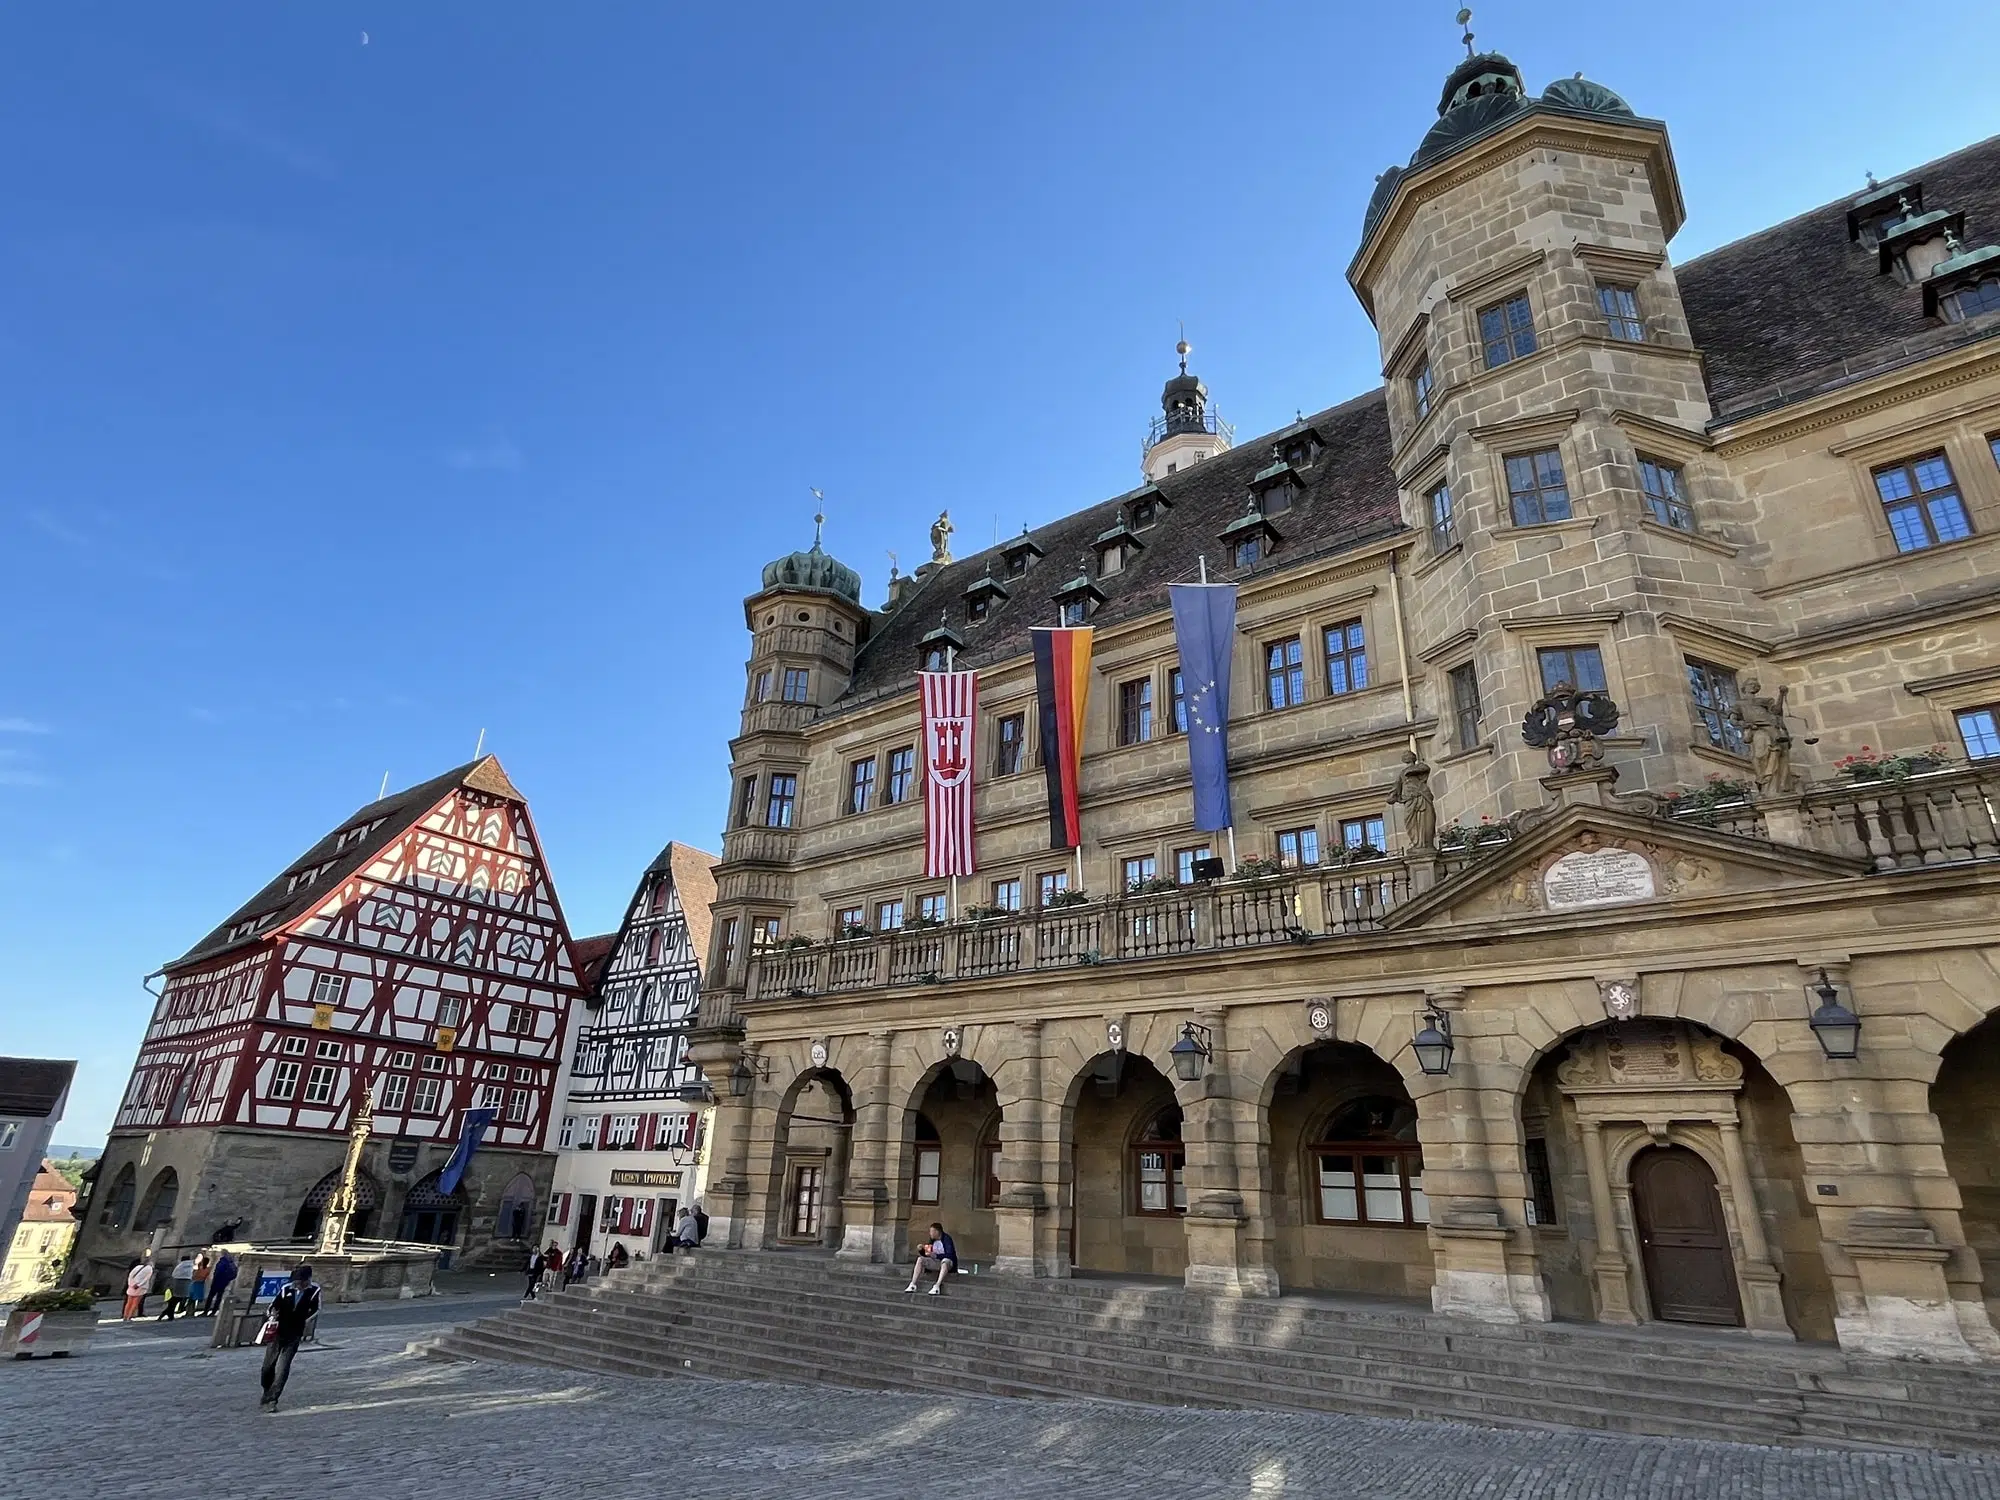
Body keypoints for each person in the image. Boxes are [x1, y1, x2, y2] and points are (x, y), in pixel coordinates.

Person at [259, 1264, 322, 1413]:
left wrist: (303, 1321)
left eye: (301, 1281)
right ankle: (267, 1390)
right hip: (278, 1332)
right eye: (296, 1281)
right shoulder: (286, 1289)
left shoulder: (314, 1291)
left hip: (294, 1333)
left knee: (282, 1368)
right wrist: (272, 1314)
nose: (297, 1284)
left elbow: (316, 1310)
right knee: (267, 1367)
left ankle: (272, 1399)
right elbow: (273, 1306)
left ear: (308, 1281)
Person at [904, 1223, 956, 1296]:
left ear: (937, 1232)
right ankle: (913, 1284)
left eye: (931, 1231)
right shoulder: (932, 1240)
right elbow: (927, 1254)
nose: (930, 1233)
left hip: (947, 1263)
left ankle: (937, 1285)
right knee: (920, 1259)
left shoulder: (947, 1239)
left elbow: (950, 1255)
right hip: (936, 1262)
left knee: (945, 1261)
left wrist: (936, 1255)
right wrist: (921, 1250)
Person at [161, 1254, 195, 1321]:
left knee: (174, 1300)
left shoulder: (180, 1266)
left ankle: (167, 1313)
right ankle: (168, 1314)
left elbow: (174, 1275)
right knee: (176, 1300)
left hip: (177, 1285)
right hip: (186, 1286)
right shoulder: (191, 1266)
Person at [206, 1250, 238, 1317]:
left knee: (211, 1296)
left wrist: (215, 1277)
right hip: (224, 1282)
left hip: (217, 1281)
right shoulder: (231, 1262)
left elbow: (218, 1271)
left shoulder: (222, 1262)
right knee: (219, 1297)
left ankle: (206, 1311)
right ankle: (214, 1311)